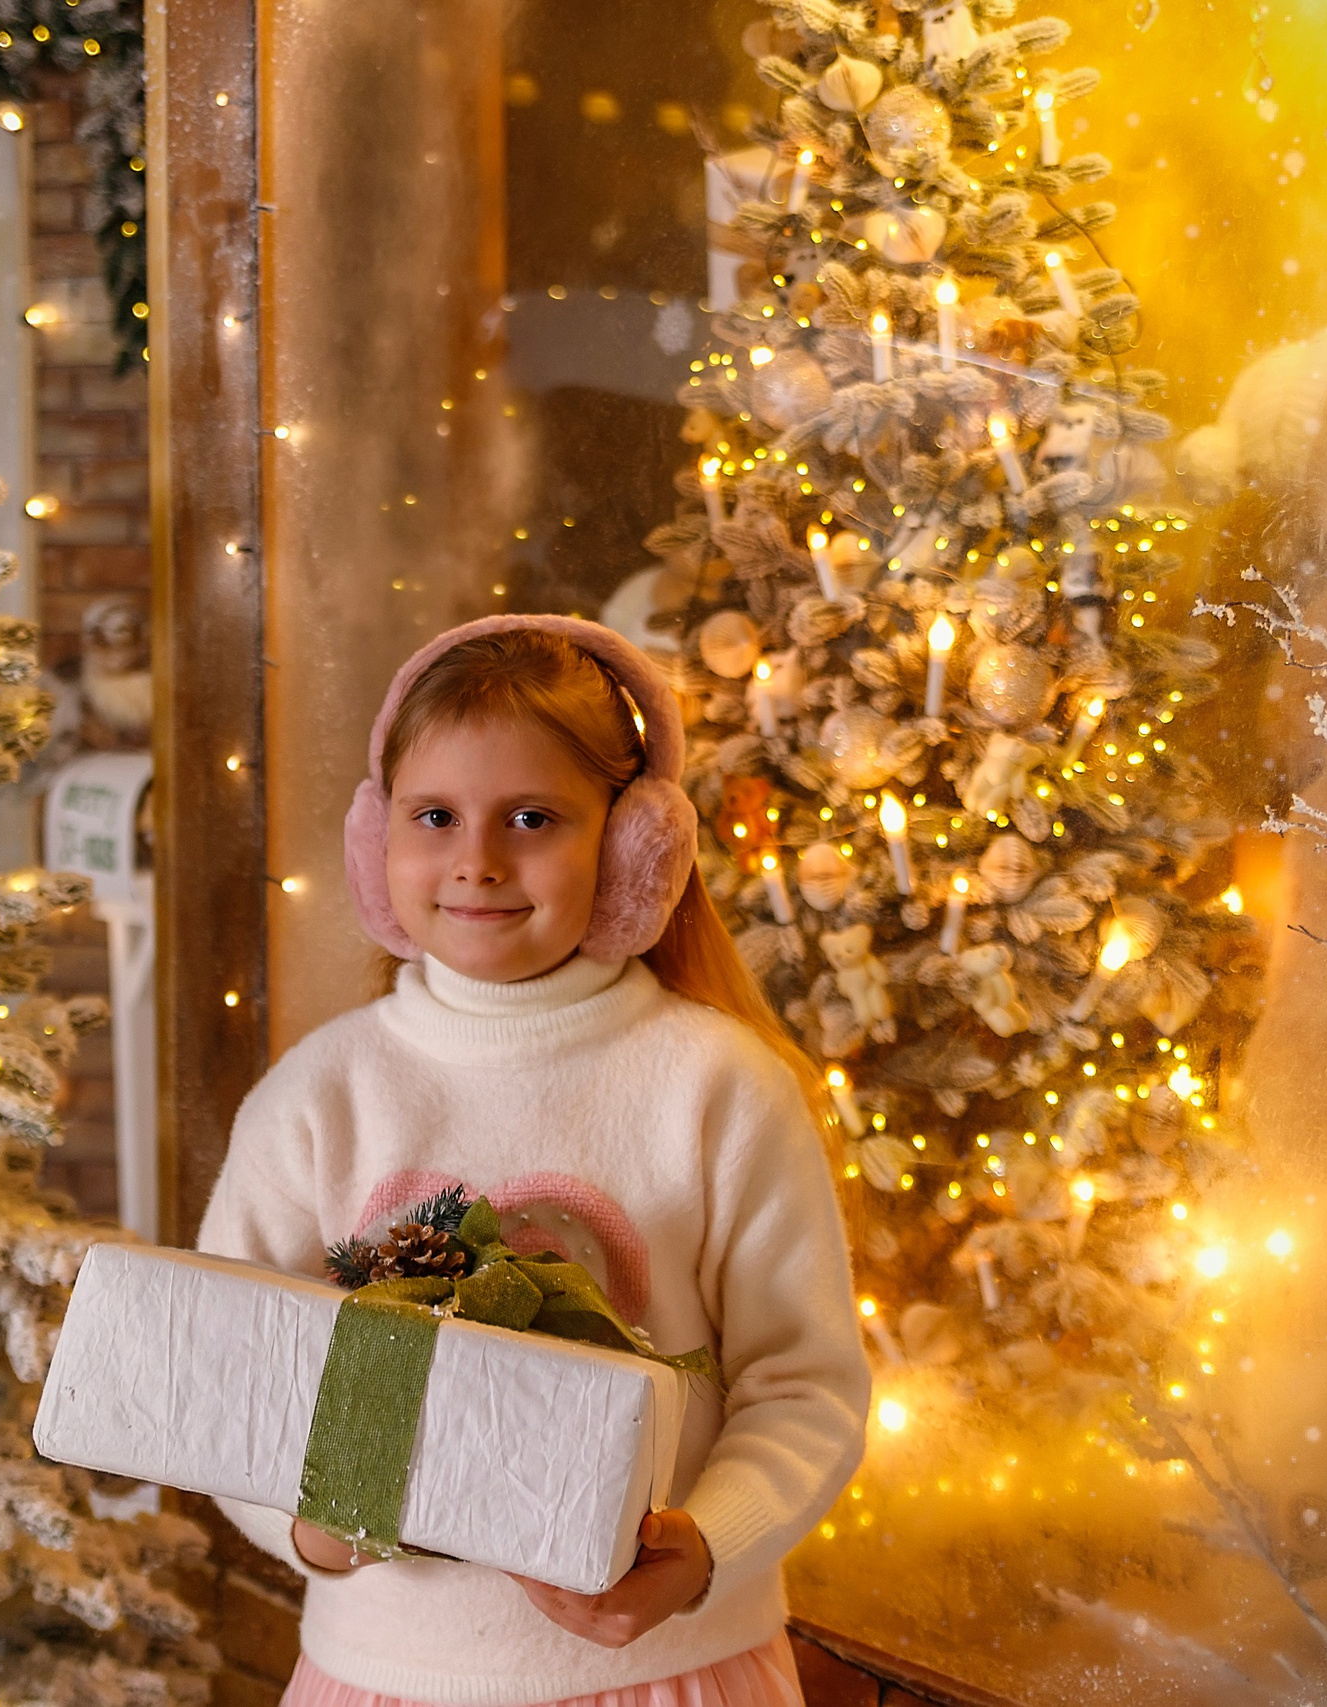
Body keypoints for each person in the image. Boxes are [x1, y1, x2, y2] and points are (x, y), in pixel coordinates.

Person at [196, 615, 871, 1707]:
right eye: (434, 816)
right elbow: (230, 1386)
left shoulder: (719, 1089)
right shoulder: (316, 1099)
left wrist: (703, 1546)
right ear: (378, 844)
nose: (476, 859)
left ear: (635, 843)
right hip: (380, 1678)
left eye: (531, 817)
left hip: (674, 1676)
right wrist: (307, 1529)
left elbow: (805, 1387)